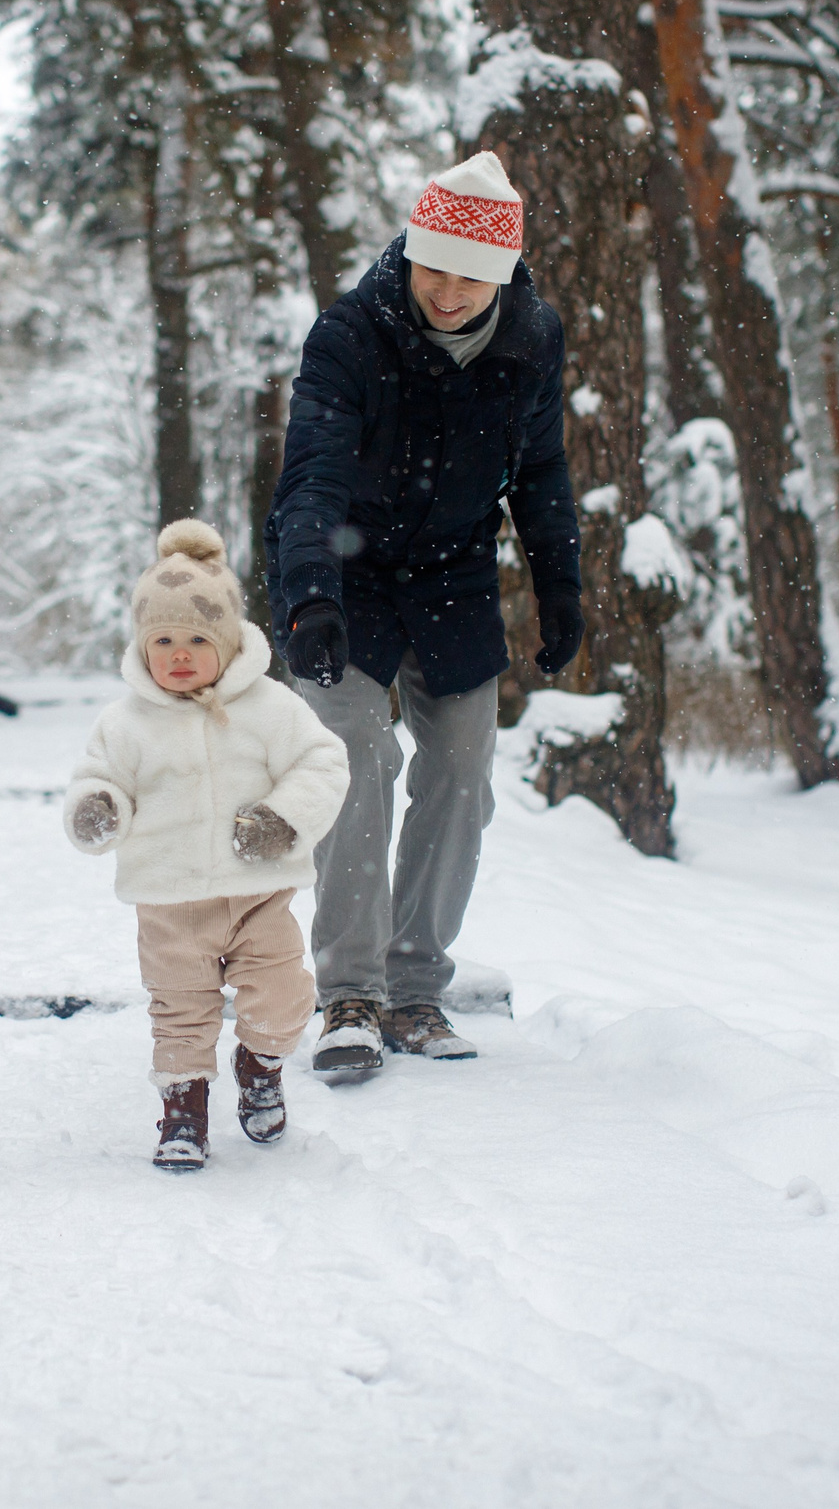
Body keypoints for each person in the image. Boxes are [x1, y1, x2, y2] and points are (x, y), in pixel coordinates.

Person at [264, 150, 582, 1081]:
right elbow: (311, 474)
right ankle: (350, 994)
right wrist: (311, 592)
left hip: (453, 576)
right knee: (355, 756)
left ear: (505, 272)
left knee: (462, 769)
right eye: (434, 265)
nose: (449, 290)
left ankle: (415, 987)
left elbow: (542, 470)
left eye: (473, 273)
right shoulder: (352, 332)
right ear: (410, 250)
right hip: (348, 577)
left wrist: (559, 581)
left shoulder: (531, 338)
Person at [64, 520, 350, 1171]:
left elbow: (323, 763)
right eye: (163, 639)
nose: (180, 653)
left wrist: (284, 818)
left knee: (283, 997)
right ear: (143, 643)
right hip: (170, 901)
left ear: (226, 640)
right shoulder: (126, 722)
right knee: (180, 1011)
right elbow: (99, 776)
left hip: (258, 893)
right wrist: (97, 808)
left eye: (198, 638)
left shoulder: (269, 707)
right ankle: (183, 1110)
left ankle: (261, 1062)